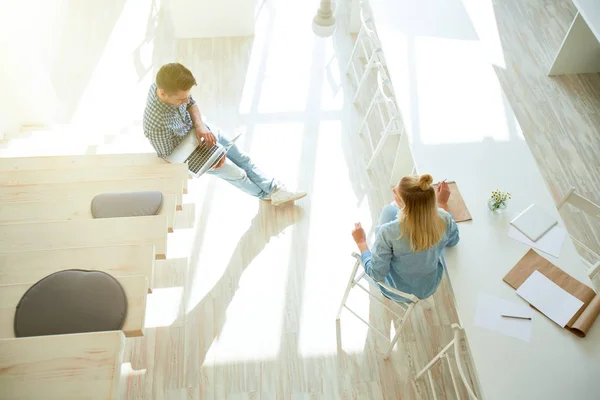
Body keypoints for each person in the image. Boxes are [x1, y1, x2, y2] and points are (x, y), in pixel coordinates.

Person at [143, 63, 306, 206]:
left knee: (242, 158)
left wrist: (200, 126)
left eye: (187, 96)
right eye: (181, 99)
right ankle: (267, 196)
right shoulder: (155, 126)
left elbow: (191, 103)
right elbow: (170, 157)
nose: (186, 101)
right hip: (190, 152)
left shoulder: (167, 85)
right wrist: (208, 160)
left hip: (202, 131)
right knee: (238, 175)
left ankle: (274, 189)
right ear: (163, 93)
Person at [351, 174, 459, 302]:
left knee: (387, 210)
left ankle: (380, 249)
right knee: (388, 210)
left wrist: (361, 243)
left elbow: (377, 273)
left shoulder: (388, 232)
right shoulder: (444, 218)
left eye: (396, 193)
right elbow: (453, 240)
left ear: (406, 206)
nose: (392, 190)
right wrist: (442, 204)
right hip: (427, 286)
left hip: (397, 290)